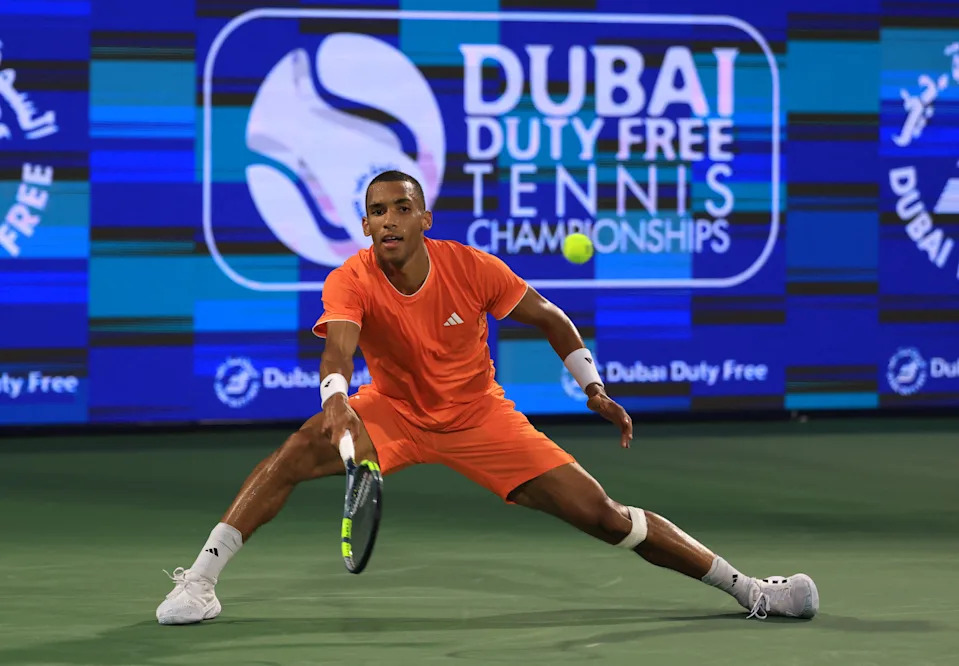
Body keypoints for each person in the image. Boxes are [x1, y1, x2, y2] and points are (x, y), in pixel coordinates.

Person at [156, 170, 819, 625]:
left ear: (423, 218)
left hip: (481, 419)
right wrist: (335, 400)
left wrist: (592, 387)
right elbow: (339, 348)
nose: (388, 220)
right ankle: (202, 580)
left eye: (401, 207)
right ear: (365, 223)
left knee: (607, 517)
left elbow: (552, 320)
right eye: (377, 211)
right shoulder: (351, 279)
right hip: (393, 412)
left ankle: (752, 592)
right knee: (295, 453)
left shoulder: (472, 268)